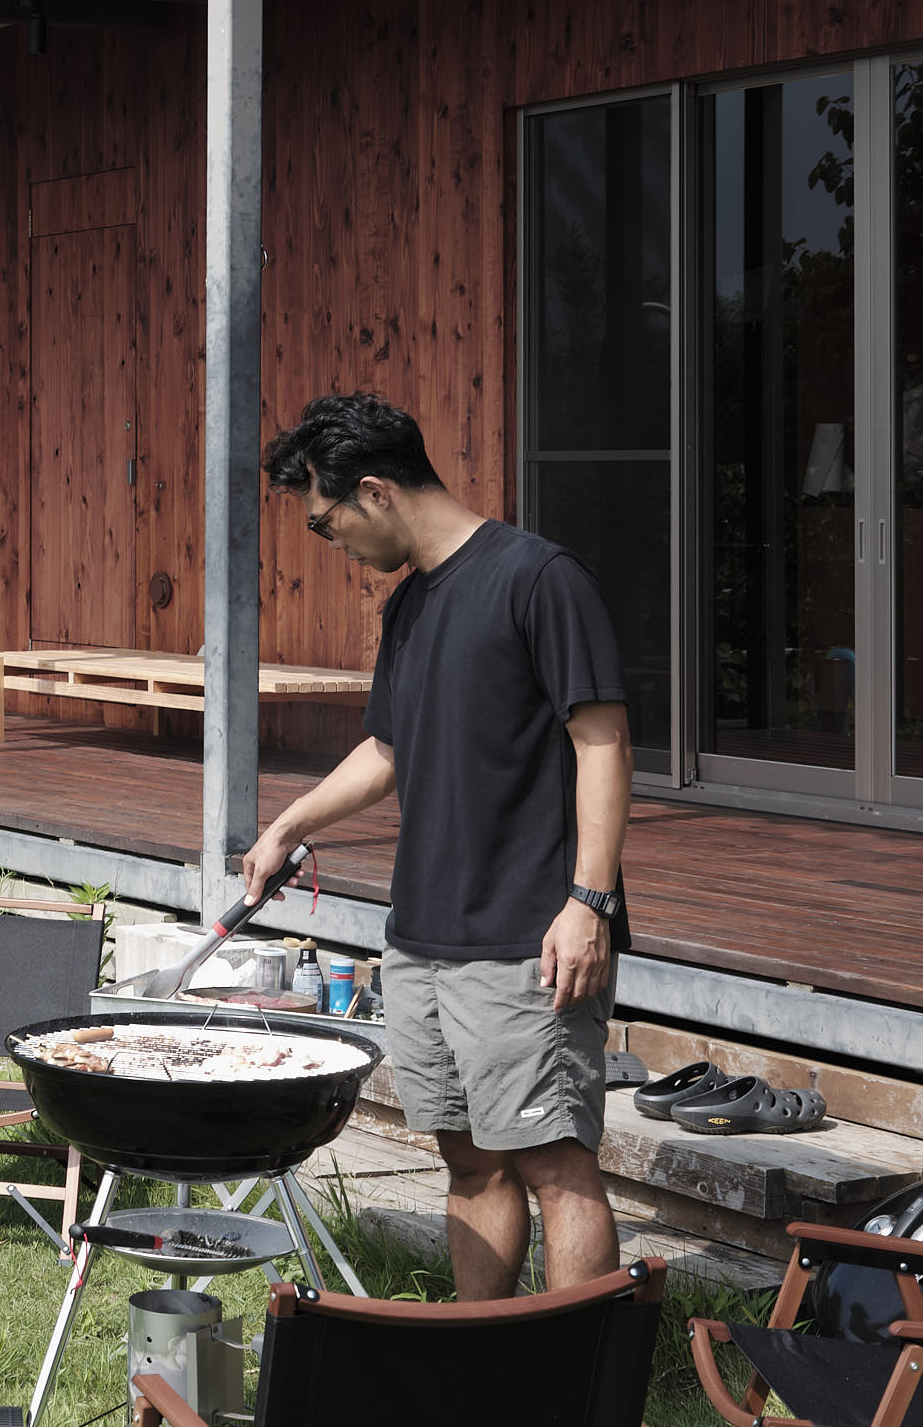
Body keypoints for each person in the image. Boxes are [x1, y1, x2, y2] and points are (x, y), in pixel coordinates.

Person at [233, 391, 631, 1300]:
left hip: (528, 935)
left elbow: (603, 743)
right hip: (421, 937)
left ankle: (575, 1377)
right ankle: (479, 1356)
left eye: (326, 522)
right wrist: (289, 825)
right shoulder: (411, 604)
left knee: (554, 1163)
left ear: (375, 491)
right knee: (470, 1161)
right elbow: (389, 748)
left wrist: (589, 902)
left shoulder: (539, 578)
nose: (330, 542)